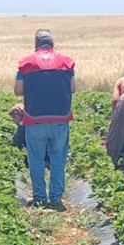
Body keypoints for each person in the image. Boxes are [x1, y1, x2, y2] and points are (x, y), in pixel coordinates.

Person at [14, 29, 75, 210]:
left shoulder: (26, 62)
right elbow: (72, 88)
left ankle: (40, 197)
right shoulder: (67, 62)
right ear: (52, 44)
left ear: (36, 43)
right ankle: (56, 198)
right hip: (60, 118)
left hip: (35, 118)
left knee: (36, 160)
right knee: (58, 159)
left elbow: (18, 90)